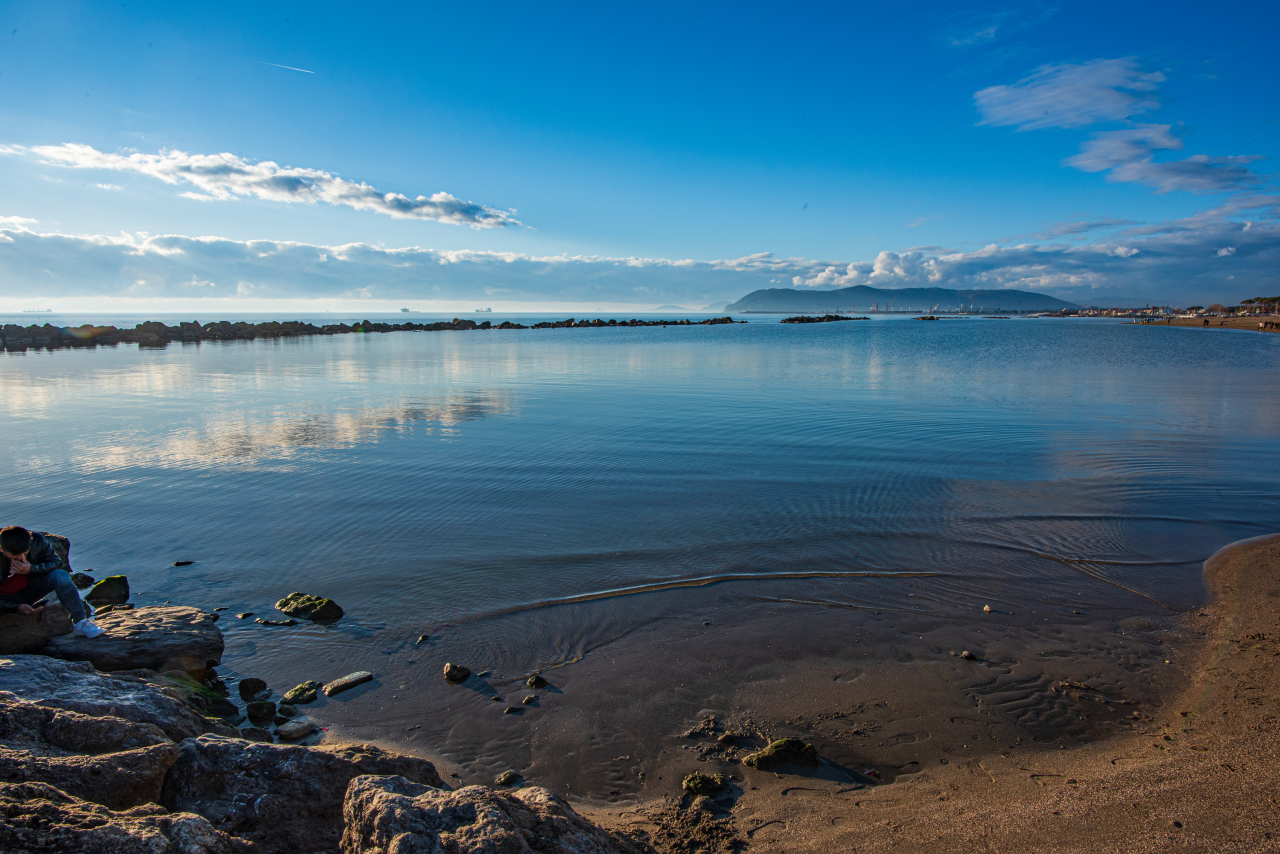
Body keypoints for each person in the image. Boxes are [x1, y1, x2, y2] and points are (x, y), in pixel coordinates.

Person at [0, 526, 104, 638]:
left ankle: (81, 622)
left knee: (60, 575)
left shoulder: (37, 541)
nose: (21, 558)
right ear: (1, 549)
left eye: (24, 553)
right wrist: (17, 607)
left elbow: (56, 562)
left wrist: (31, 569)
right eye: (14, 555)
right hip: (3, 600)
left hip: (28, 590)